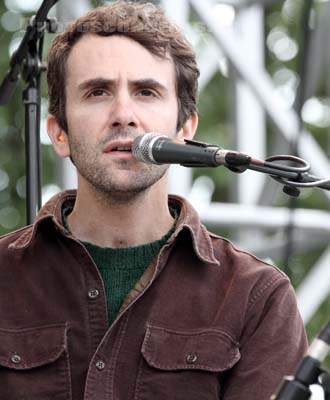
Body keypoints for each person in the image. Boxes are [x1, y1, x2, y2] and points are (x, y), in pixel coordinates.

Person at [0, 2, 307, 399]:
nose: (124, 114)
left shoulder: (255, 295)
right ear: (59, 134)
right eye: (97, 92)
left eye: (146, 92)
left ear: (184, 130)